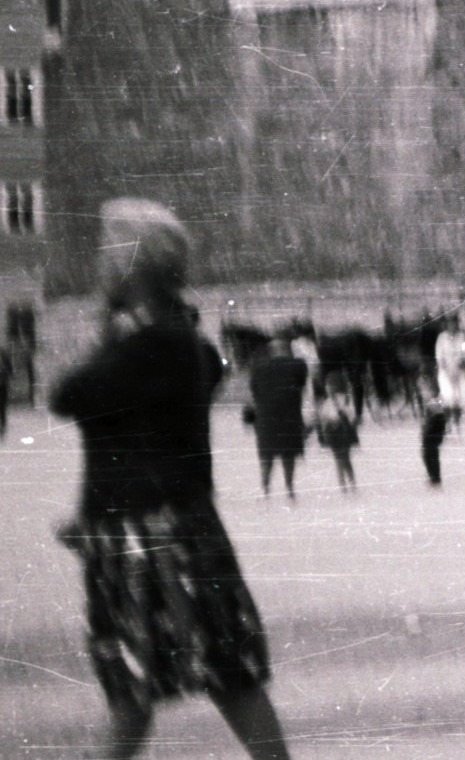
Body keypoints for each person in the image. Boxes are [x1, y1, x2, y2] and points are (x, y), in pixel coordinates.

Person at [48, 198, 292, 760]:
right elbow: (132, 439)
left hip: (162, 539)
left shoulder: (156, 346)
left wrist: (107, 334)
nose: (100, 264)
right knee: (163, 683)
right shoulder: (170, 342)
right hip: (148, 536)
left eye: (109, 251)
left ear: (132, 266)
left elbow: (69, 395)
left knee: (208, 676)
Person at [248, 335, 309, 500]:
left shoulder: (258, 368)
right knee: (288, 456)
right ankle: (289, 488)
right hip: (290, 417)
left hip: (266, 418)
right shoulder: (298, 365)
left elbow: (254, 391)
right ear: (288, 350)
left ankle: (265, 489)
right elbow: (302, 385)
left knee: (267, 457)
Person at [314, 384, 359, 493]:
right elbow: (322, 420)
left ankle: (348, 483)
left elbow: (352, 417)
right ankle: (345, 483)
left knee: (343, 459)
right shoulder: (328, 404)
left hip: (342, 435)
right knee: (341, 459)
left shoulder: (341, 401)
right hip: (335, 436)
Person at [433, 312, 465, 421]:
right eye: (450, 323)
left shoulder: (462, 337)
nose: (453, 326)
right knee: (448, 396)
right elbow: (439, 355)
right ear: (447, 325)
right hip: (445, 371)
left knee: (460, 397)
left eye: (455, 323)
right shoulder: (441, 338)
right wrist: (445, 368)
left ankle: (457, 420)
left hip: (459, 371)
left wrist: (463, 361)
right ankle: (447, 421)